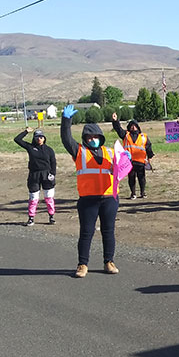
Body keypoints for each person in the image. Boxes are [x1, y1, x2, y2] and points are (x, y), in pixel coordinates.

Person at [60, 105, 120, 278]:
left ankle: (109, 261)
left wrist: (127, 160)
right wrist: (66, 121)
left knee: (108, 231)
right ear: (85, 138)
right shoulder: (79, 151)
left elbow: (122, 170)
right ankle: (82, 264)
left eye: (96, 136)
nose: (93, 139)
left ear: (101, 137)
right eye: (89, 136)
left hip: (109, 198)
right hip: (88, 200)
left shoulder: (110, 152)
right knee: (86, 232)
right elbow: (66, 139)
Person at [14, 127, 57, 226]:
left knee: (49, 197)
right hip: (34, 175)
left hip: (47, 175)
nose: (39, 139)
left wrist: (53, 174)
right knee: (33, 197)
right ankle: (31, 218)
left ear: (44, 138)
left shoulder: (49, 150)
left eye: (41, 137)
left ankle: (51, 216)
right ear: (34, 138)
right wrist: (26, 132)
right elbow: (17, 139)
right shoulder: (30, 147)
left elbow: (53, 162)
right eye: (37, 137)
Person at [111, 114, 154, 199]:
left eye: (135, 126)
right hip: (129, 162)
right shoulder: (125, 135)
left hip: (140, 161)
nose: (133, 127)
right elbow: (118, 129)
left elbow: (148, 146)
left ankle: (143, 192)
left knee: (142, 178)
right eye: (131, 126)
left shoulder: (143, 136)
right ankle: (133, 193)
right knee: (131, 178)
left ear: (138, 127)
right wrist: (115, 121)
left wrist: (150, 157)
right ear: (129, 127)